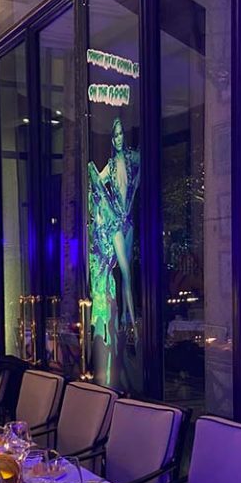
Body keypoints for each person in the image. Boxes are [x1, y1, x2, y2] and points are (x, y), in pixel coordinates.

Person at [87, 117, 141, 333]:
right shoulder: (110, 166)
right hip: (117, 223)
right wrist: (101, 210)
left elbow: (141, 164)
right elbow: (96, 182)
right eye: (115, 135)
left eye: (121, 134)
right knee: (125, 272)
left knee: (128, 273)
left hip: (129, 222)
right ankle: (132, 325)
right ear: (112, 139)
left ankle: (126, 319)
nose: (118, 138)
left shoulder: (131, 158)